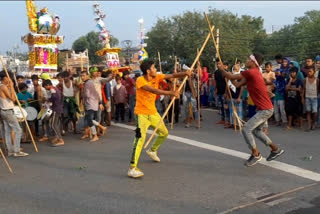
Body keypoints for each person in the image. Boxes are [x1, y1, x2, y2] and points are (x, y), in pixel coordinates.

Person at [217, 53, 284, 167]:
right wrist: (227, 76)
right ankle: (275, 150)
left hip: (265, 109)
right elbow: (237, 84)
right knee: (257, 131)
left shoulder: (251, 72)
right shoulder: (253, 73)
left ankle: (256, 154)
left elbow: (233, 77)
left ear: (253, 62)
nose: (246, 60)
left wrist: (222, 70)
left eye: (248, 59)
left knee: (246, 129)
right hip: (265, 109)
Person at [128, 60, 191, 178]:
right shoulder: (140, 80)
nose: (155, 69)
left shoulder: (157, 76)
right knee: (140, 139)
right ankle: (132, 168)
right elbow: (153, 90)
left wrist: (185, 73)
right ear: (148, 71)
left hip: (153, 113)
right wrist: (170, 93)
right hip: (141, 114)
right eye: (153, 67)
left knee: (164, 133)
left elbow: (172, 75)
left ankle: (152, 150)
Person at [0, 70, 28, 157]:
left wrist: (10, 86)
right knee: (18, 130)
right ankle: (16, 150)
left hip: (4, 111)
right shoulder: (3, 87)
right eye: (9, 78)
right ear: (5, 78)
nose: (10, 80)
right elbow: (13, 98)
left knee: (8, 131)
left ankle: (11, 151)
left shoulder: (2, 86)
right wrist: (12, 87)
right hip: (7, 111)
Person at [80, 71, 106, 142]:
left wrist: (83, 94)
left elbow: (87, 95)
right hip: (93, 103)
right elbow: (96, 93)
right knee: (90, 120)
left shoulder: (88, 84)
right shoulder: (90, 82)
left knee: (90, 120)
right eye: (81, 76)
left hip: (90, 104)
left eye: (84, 75)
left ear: (87, 75)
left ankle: (95, 135)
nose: (82, 77)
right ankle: (101, 127)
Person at [42, 80, 64, 146]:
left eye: (45, 87)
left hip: (56, 109)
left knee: (53, 124)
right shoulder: (55, 88)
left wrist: (48, 100)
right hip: (58, 108)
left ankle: (60, 139)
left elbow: (54, 97)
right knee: (55, 124)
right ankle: (57, 137)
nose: (45, 88)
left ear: (48, 85)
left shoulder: (52, 89)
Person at [303, 67, 318, 131]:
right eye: (308, 71)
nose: (309, 73)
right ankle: (309, 125)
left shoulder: (317, 80)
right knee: (308, 111)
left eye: (310, 71)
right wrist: (302, 98)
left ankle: (313, 123)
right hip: (307, 97)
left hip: (314, 97)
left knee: (315, 112)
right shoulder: (305, 79)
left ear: (314, 72)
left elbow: (318, 88)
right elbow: (304, 89)